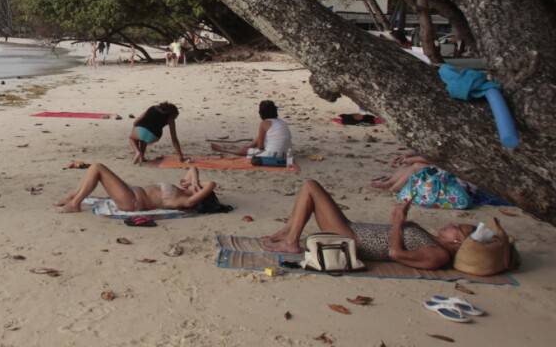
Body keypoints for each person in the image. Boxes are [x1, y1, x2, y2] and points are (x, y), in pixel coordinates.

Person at [260, 179, 475, 269]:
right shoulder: (434, 241)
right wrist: (401, 219)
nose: (450, 224)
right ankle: (288, 232)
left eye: (456, 227)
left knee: (310, 186)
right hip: (353, 229)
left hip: (355, 240)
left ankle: (291, 241)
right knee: (310, 188)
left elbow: (395, 253)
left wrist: (398, 223)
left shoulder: (440, 255)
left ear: (457, 240)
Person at [55, 163, 221, 214]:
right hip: (132, 192)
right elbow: (192, 169)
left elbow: (212, 184)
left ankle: (75, 203)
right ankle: (73, 197)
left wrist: (197, 185)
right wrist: (194, 182)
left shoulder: (186, 200)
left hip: (132, 202)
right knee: (95, 169)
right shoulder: (185, 190)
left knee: (97, 168)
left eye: (200, 189)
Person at [212, 100, 291, 159]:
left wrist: (250, 149)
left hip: (273, 156)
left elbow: (260, 147)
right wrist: (251, 146)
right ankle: (247, 146)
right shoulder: (281, 122)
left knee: (246, 152)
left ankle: (224, 150)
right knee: (255, 142)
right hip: (286, 154)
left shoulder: (264, 123)